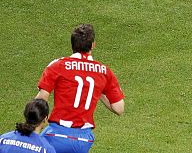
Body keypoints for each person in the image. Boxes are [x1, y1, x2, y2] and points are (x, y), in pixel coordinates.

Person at [35, 24, 125, 153]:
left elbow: (41, 101)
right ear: (93, 45)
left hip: (55, 136)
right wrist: (97, 89)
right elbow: (119, 109)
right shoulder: (104, 71)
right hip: (84, 140)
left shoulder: (58, 66)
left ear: (72, 44)